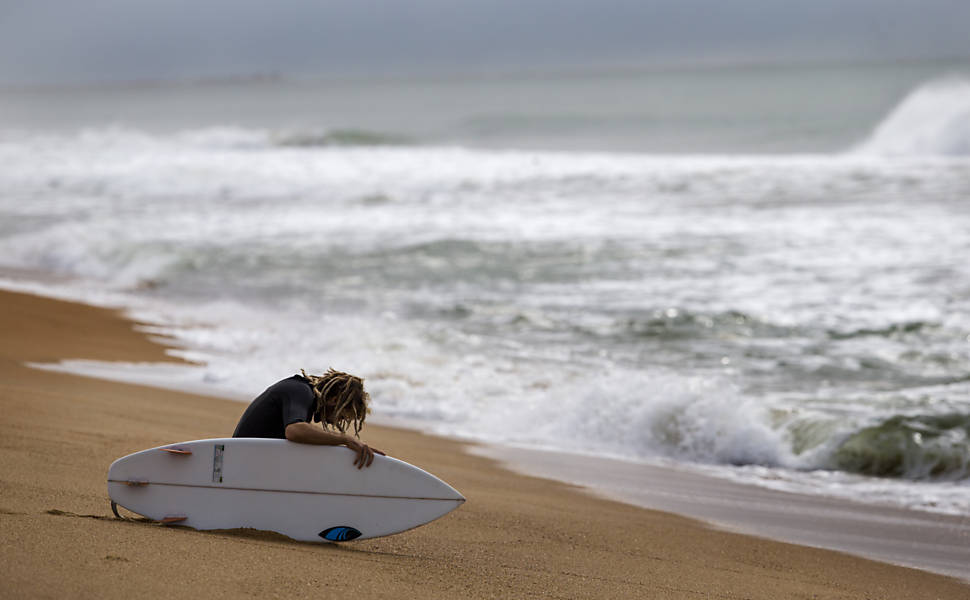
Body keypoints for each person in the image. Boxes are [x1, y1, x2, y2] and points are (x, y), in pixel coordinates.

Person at [233, 368, 384, 468]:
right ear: (334, 400)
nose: (335, 422)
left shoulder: (302, 394)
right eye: (341, 416)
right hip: (240, 463)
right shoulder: (301, 391)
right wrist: (345, 439)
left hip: (248, 460)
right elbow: (294, 431)